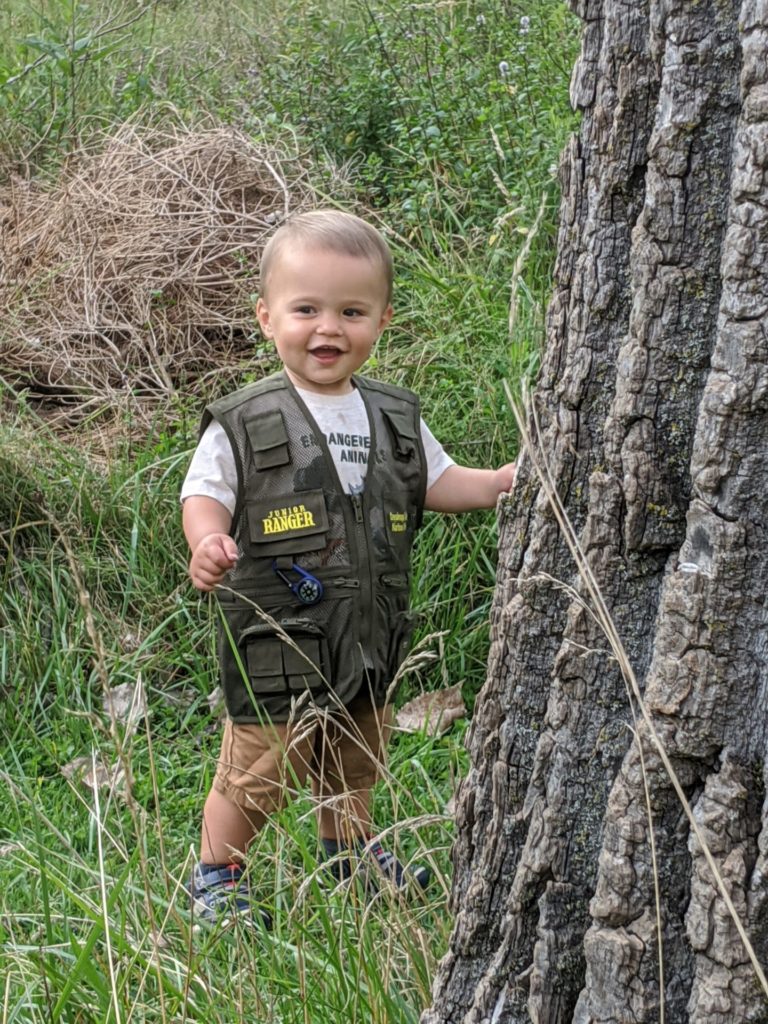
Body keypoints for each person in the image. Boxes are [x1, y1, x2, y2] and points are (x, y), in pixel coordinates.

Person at [181, 209, 515, 927]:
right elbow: (204, 491)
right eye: (307, 309)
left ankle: (352, 858)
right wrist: (206, 540)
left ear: (382, 320)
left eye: (351, 311)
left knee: (357, 755)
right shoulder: (247, 420)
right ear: (267, 317)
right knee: (257, 769)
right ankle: (218, 874)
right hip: (280, 640)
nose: (328, 328)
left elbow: (435, 479)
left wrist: (493, 484)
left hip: (370, 631)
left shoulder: (392, 416)